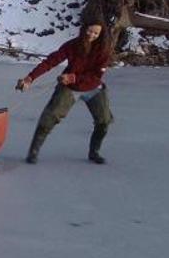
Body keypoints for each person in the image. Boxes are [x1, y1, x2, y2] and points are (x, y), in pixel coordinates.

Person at [16, 20, 113, 164]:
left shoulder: (104, 51)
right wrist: (30, 77)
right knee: (48, 117)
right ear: (84, 29)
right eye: (89, 31)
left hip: (93, 88)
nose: (91, 35)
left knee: (104, 121)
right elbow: (51, 61)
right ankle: (33, 152)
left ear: (101, 34)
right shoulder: (73, 45)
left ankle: (94, 152)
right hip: (69, 88)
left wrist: (73, 77)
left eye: (96, 33)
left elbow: (96, 76)